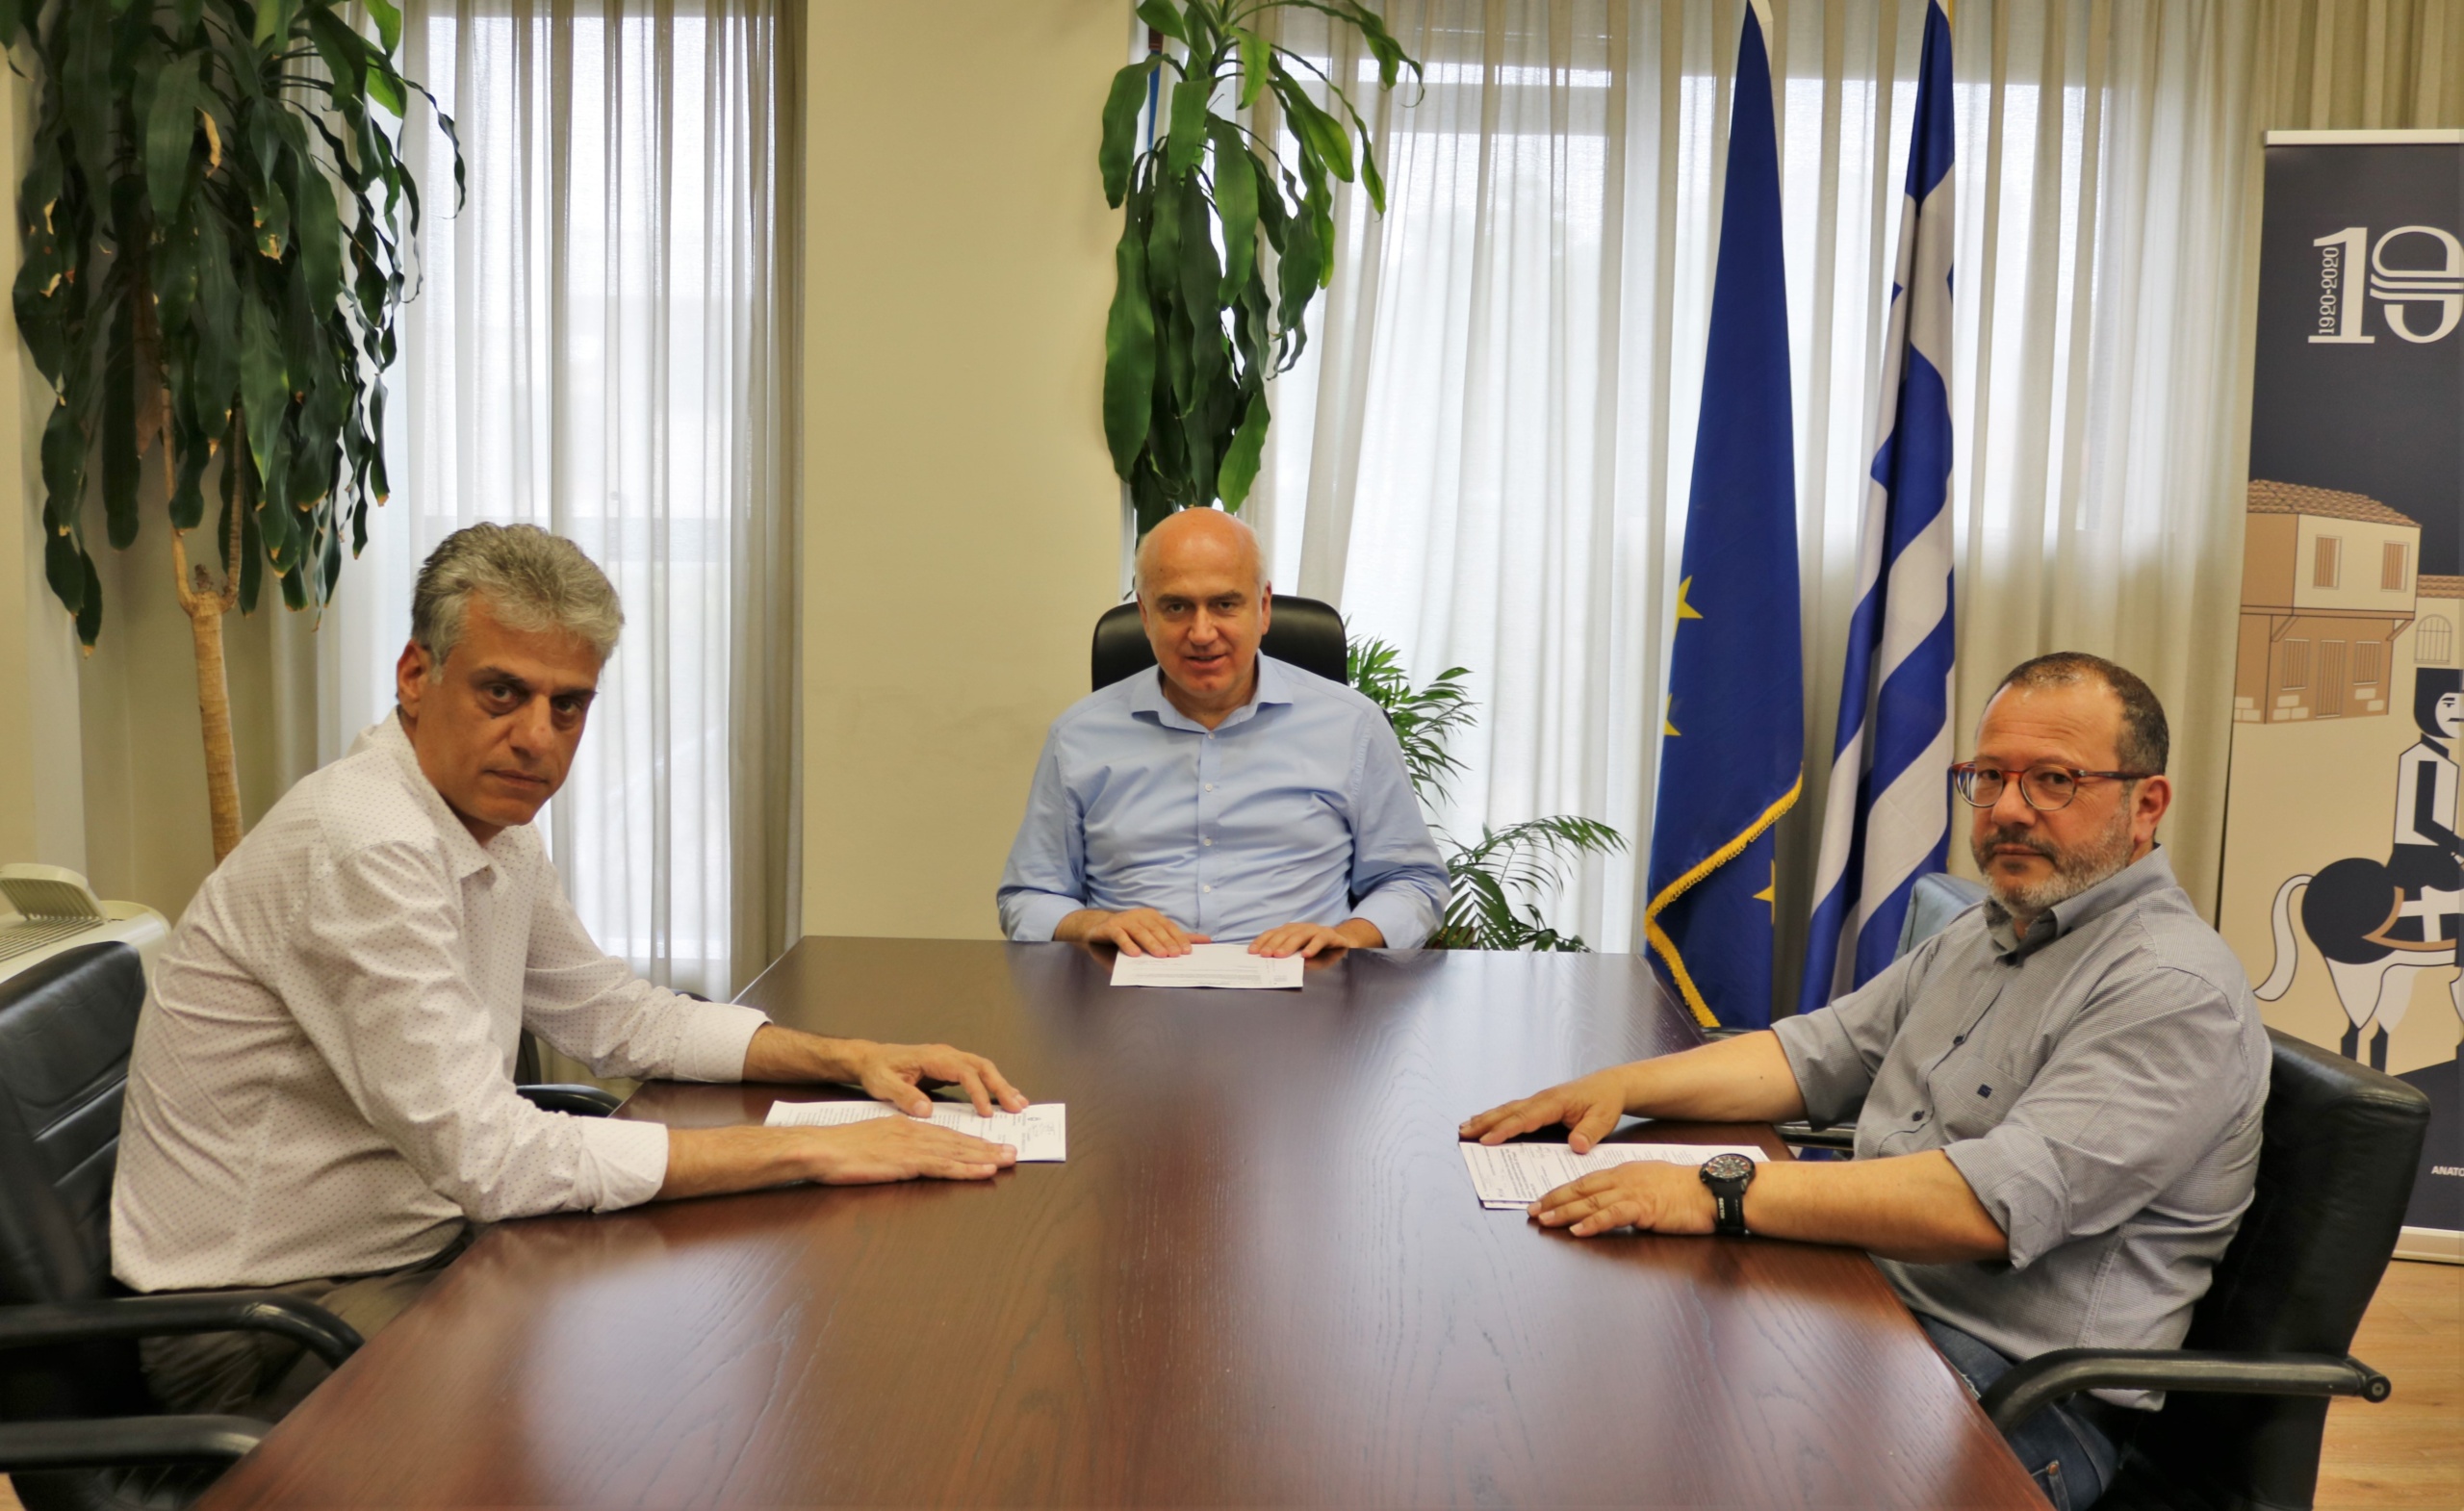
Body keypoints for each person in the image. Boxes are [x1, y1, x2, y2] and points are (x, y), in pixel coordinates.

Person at [114, 524, 1027, 1421]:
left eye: (568, 706)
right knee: (664, 1392)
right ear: (416, 676)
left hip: (416, 1252)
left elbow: (615, 1016)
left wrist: (848, 1061)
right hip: (264, 1325)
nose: (536, 738)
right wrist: (812, 1149)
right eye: (502, 692)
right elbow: (490, 1160)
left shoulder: (491, 828)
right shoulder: (369, 843)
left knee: (705, 1341)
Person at [1461, 653, 2268, 1511]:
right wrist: (1624, 1086)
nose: (2006, 809)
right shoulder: (1991, 928)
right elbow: (1814, 1053)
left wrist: (1713, 1191)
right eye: (1990, 776)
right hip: (1871, 1304)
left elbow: (1984, 1207)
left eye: (2054, 780)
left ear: (2147, 805)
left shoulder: (2169, 987)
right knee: (1591, 1388)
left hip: (2012, 1396)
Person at [997, 508, 1448, 958]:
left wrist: (1350, 935)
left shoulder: (1353, 726)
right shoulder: (1078, 736)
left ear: (1264, 608)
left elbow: (1413, 880)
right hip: (1127, 986)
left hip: (1306, 985)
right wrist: (1092, 923)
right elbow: (1027, 897)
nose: (1201, 633)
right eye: (1176, 607)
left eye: (1225, 604)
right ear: (1145, 615)